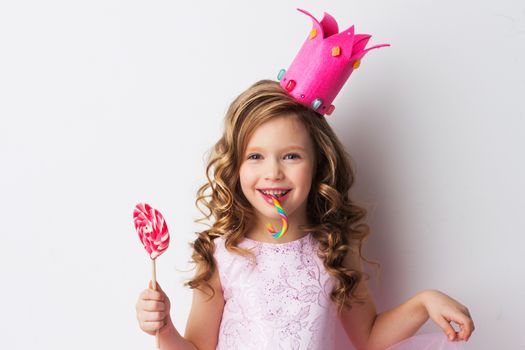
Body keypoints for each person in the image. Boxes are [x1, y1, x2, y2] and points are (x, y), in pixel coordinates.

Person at [135, 79, 475, 349]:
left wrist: (423, 302)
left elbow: (370, 338)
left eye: (291, 156)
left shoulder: (335, 248)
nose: (273, 173)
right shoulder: (222, 254)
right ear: (235, 164)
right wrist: (164, 329)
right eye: (255, 156)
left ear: (318, 164)